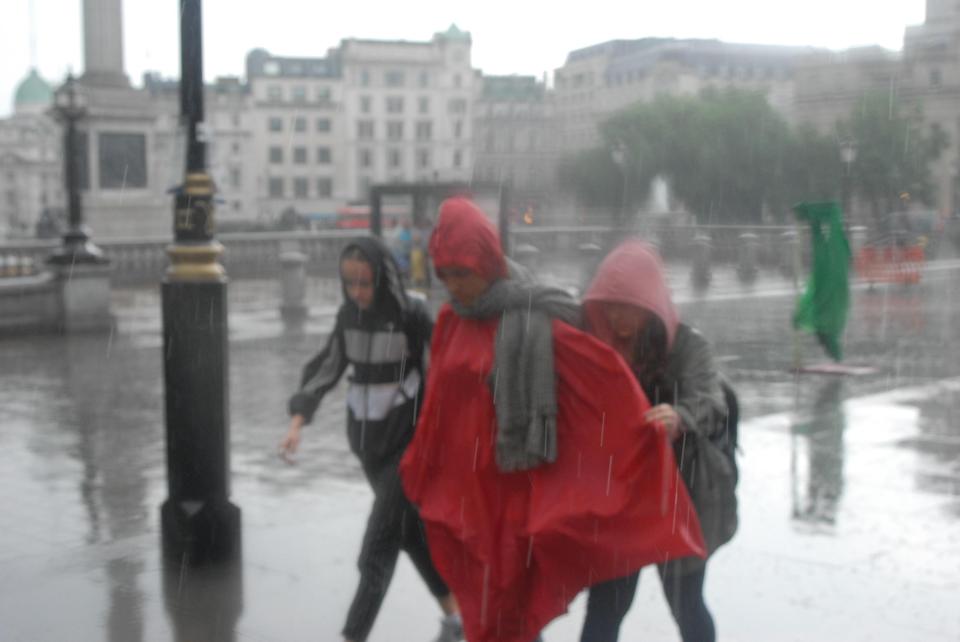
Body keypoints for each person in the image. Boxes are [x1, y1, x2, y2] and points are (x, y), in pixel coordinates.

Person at [399, 198, 706, 642]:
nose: (453, 285)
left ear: (487, 261)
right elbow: (437, 401)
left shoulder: (537, 317)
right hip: (466, 488)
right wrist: (423, 458)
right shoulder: (450, 320)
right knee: (486, 598)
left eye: (461, 273)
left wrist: (648, 433)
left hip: (513, 486)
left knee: (512, 600)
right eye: (443, 274)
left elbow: (603, 387)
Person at [280, 237, 462, 642]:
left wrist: (439, 444)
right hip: (368, 446)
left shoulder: (412, 315)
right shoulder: (348, 318)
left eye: (365, 283)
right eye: (350, 284)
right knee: (410, 536)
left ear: (382, 279)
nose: (358, 293)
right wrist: (297, 420)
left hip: (409, 446)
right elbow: (327, 367)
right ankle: (455, 617)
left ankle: (353, 635)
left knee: (375, 549)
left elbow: (441, 377)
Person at [579, 239, 737, 642]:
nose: (618, 318)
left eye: (628, 305)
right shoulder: (600, 346)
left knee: (686, 606)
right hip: (624, 500)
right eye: (610, 306)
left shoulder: (687, 345)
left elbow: (711, 400)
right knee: (603, 612)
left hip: (680, 495)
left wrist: (680, 417)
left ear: (650, 302)